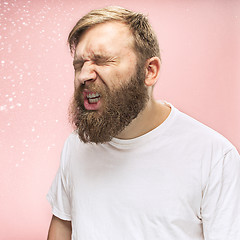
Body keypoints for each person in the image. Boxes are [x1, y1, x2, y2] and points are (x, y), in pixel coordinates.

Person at [47, 6, 240, 240]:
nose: (83, 75)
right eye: (79, 65)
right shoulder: (76, 146)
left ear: (149, 71)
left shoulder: (215, 157)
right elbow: (63, 226)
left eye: (103, 60)